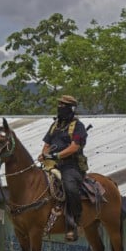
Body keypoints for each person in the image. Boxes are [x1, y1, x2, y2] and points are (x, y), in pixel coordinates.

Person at [38, 95, 88, 242]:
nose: (60, 108)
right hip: (52, 165)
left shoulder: (78, 126)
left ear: (71, 109)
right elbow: (47, 144)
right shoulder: (54, 125)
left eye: (63, 105)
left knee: (70, 188)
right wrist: (43, 155)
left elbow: (74, 147)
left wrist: (57, 155)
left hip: (71, 166)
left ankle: (75, 224)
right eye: (59, 105)